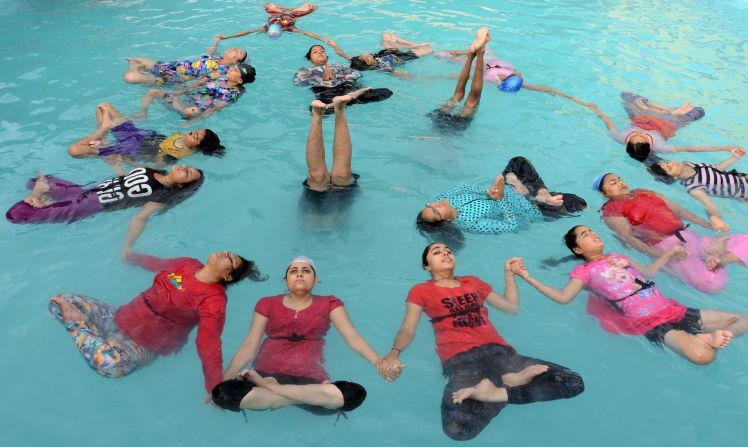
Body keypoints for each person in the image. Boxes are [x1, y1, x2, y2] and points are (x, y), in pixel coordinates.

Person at [377, 243, 584, 441]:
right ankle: (504, 385)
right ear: (427, 266)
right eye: (437, 252)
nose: (446, 253)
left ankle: (497, 393)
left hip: (500, 354)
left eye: (448, 250)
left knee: (573, 383)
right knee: (457, 430)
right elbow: (408, 327)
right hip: (462, 364)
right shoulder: (421, 290)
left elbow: (510, 308)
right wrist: (394, 353)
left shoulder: (472, 282)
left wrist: (509, 274)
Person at [514, 225, 748, 364]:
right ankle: (706, 339)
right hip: (651, 322)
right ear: (578, 249)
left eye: (592, 230)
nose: (593, 234)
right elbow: (564, 298)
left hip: (672, 308)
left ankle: (708, 336)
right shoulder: (584, 271)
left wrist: (670, 254)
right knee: (702, 357)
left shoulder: (619, 255)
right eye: (585, 234)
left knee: (744, 320)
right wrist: (528, 278)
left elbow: (647, 271)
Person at [48, 249, 266, 395]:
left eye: (230, 260)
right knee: (63, 302)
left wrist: (213, 387)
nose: (226, 253)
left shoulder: (213, 301)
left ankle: (79, 326)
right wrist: (130, 256)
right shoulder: (186, 265)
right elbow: (158, 264)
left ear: (227, 277)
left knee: (110, 365)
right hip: (117, 318)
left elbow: (208, 343)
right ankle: (89, 333)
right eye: (229, 252)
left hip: (142, 345)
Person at [211, 256, 383, 416]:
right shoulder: (267, 303)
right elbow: (249, 347)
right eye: (293, 271)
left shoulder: (330, 303)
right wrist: (223, 381)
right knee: (223, 394)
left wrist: (379, 362)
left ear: (316, 280)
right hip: (268, 371)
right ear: (286, 280)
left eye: (306, 271)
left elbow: (352, 338)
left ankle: (275, 392)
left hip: (309, 377)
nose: (299, 273)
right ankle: (291, 396)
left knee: (354, 395)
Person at [594, 172, 748, 294]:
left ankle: (718, 258)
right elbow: (630, 239)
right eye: (613, 182)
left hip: (690, 236)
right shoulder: (611, 211)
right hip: (670, 248)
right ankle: (716, 258)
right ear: (604, 193)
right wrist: (664, 256)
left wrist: (710, 225)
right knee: (712, 285)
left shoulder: (644, 192)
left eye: (620, 179)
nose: (620, 182)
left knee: (745, 240)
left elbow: (680, 211)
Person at [7, 165, 203, 248]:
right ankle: (41, 197)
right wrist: (114, 161)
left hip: (87, 205)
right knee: (37, 180)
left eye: (187, 174)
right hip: (85, 190)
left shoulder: (161, 195)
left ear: (180, 185)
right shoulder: (151, 170)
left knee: (16, 214)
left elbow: (140, 218)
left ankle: (40, 199)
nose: (184, 168)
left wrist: (128, 246)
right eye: (188, 167)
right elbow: (123, 179)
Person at [416, 156, 586, 236]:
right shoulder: (470, 224)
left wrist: (487, 192)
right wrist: (500, 199)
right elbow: (511, 225)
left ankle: (541, 193)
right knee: (578, 204)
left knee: (518, 162)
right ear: (446, 221)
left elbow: (463, 186)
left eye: (429, 206)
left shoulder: (445, 197)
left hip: (518, 191)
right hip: (534, 210)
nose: (434, 205)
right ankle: (542, 197)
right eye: (436, 211)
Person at [67, 102, 223, 174]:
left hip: (131, 148)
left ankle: (103, 130)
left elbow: (153, 169)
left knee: (74, 150)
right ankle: (104, 134)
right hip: (138, 135)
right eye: (194, 130)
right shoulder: (183, 136)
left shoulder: (173, 155)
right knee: (103, 106)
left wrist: (127, 162)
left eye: (194, 136)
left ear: (195, 147)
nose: (191, 132)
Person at [586, 92, 741, 161]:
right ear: (650, 144)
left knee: (627, 95)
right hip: (667, 123)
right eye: (643, 137)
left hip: (642, 117)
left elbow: (608, 121)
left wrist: (595, 109)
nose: (639, 133)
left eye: (634, 135)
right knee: (699, 111)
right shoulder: (660, 146)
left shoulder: (619, 137)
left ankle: (669, 110)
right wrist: (726, 148)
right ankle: (671, 113)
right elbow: (692, 148)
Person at [436, 44, 594, 102]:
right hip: (489, 58)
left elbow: (460, 77)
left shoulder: (491, 79)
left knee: (442, 55)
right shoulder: (516, 81)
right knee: (479, 48)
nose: (518, 74)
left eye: (516, 75)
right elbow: (545, 89)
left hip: (480, 63)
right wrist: (571, 98)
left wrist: (432, 77)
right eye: (517, 75)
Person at [647, 147, 747, 231]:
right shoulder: (693, 187)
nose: (672, 164)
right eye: (669, 168)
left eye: (668, 163)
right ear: (673, 177)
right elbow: (710, 206)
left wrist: (735, 158)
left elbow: (716, 169)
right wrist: (714, 218)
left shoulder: (689, 164)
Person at [427, 28, 490, 133]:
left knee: (471, 101)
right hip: (438, 122)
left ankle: (478, 54)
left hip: (452, 130)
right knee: (457, 96)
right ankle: (472, 55)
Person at [139, 63, 255, 120]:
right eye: (233, 67)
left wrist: (194, 121)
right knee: (153, 92)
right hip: (185, 100)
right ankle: (143, 113)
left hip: (195, 110)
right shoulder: (222, 78)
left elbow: (216, 107)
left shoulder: (234, 93)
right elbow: (199, 84)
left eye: (235, 70)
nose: (230, 69)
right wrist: (179, 92)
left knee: (190, 110)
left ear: (239, 80)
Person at [293, 44, 392, 108]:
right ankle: (347, 99)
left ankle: (345, 100)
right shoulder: (306, 70)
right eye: (315, 52)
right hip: (326, 91)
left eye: (322, 51)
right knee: (316, 109)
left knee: (386, 92)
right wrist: (324, 81)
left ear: (327, 57)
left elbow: (357, 73)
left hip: (347, 87)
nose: (320, 52)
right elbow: (299, 82)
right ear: (310, 59)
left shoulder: (338, 66)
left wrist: (339, 78)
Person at [124, 39, 248, 85]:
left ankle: (138, 71)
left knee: (129, 77)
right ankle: (138, 69)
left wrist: (181, 91)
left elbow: (202, 81)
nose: (233, 48)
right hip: (169, 66)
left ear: (235, 61)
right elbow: (209, 53)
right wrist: (216, 41)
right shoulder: (217, 58)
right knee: (135, 58)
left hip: (173, 77)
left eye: (237, 51)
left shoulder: (221, 70)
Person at [313, 32, 434, 78]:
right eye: (367, 57)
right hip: (402, 57)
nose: (366, 54)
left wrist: (334, 45)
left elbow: (342, 54)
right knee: (429, 49)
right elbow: (403, 75)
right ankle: (413, 48)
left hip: (386, 53)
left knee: (386, 35)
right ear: (369, 63)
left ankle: (413, 45)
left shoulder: (356, 60)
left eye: (362, 55)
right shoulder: (382, 68)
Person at [216, 3, 322, 41]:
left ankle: (288, 8)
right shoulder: (290, 28)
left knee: (266, 5)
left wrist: (227, 37)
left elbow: (248, 31)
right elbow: (307, 33)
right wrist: (323, 39)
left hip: (276, 14)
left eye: (274, 25)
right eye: (276, 25)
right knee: (311, 6)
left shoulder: (266, 27)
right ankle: (290, 9)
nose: (276, 23)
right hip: (292, 15)